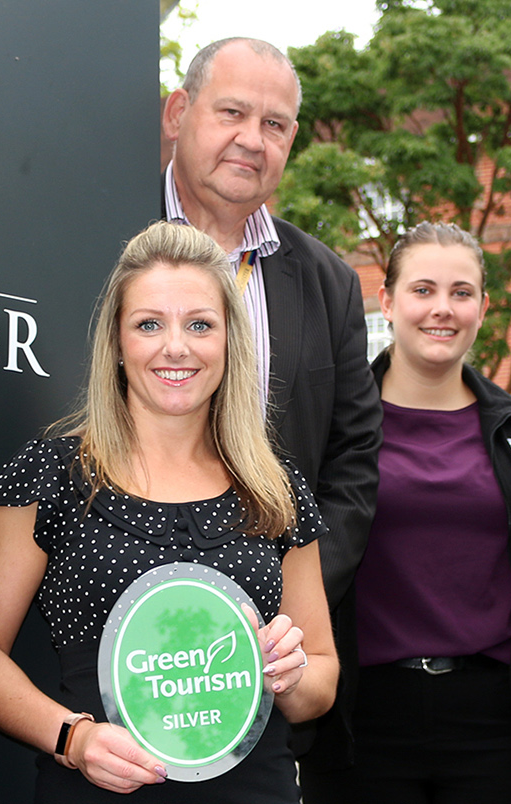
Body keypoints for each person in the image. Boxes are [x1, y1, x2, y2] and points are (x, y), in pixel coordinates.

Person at [0, 222, 338, 802]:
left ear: (228, 342)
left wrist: (292, 677)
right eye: (149, 324)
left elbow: (321, 675)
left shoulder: (274, 486)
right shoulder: (54, 472)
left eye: (200, 324)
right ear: (117, 343)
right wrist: (73, 739)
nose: (176, 347)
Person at [299, 223, 511, 803]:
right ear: (388, 300)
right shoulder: (332, 433)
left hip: (496, 726)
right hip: (359, 720)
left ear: (483, 306)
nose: (441, 309)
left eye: (461, 292)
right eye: (423, 290)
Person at [160, 37, 381, 610]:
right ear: (178, 113)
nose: (252, 140)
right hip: (115, 611)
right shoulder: (102, 235)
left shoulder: (330, 283)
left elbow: (352, 464)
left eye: (275, 125)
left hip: (275, 640)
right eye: (232, 112)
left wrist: (291, 604)